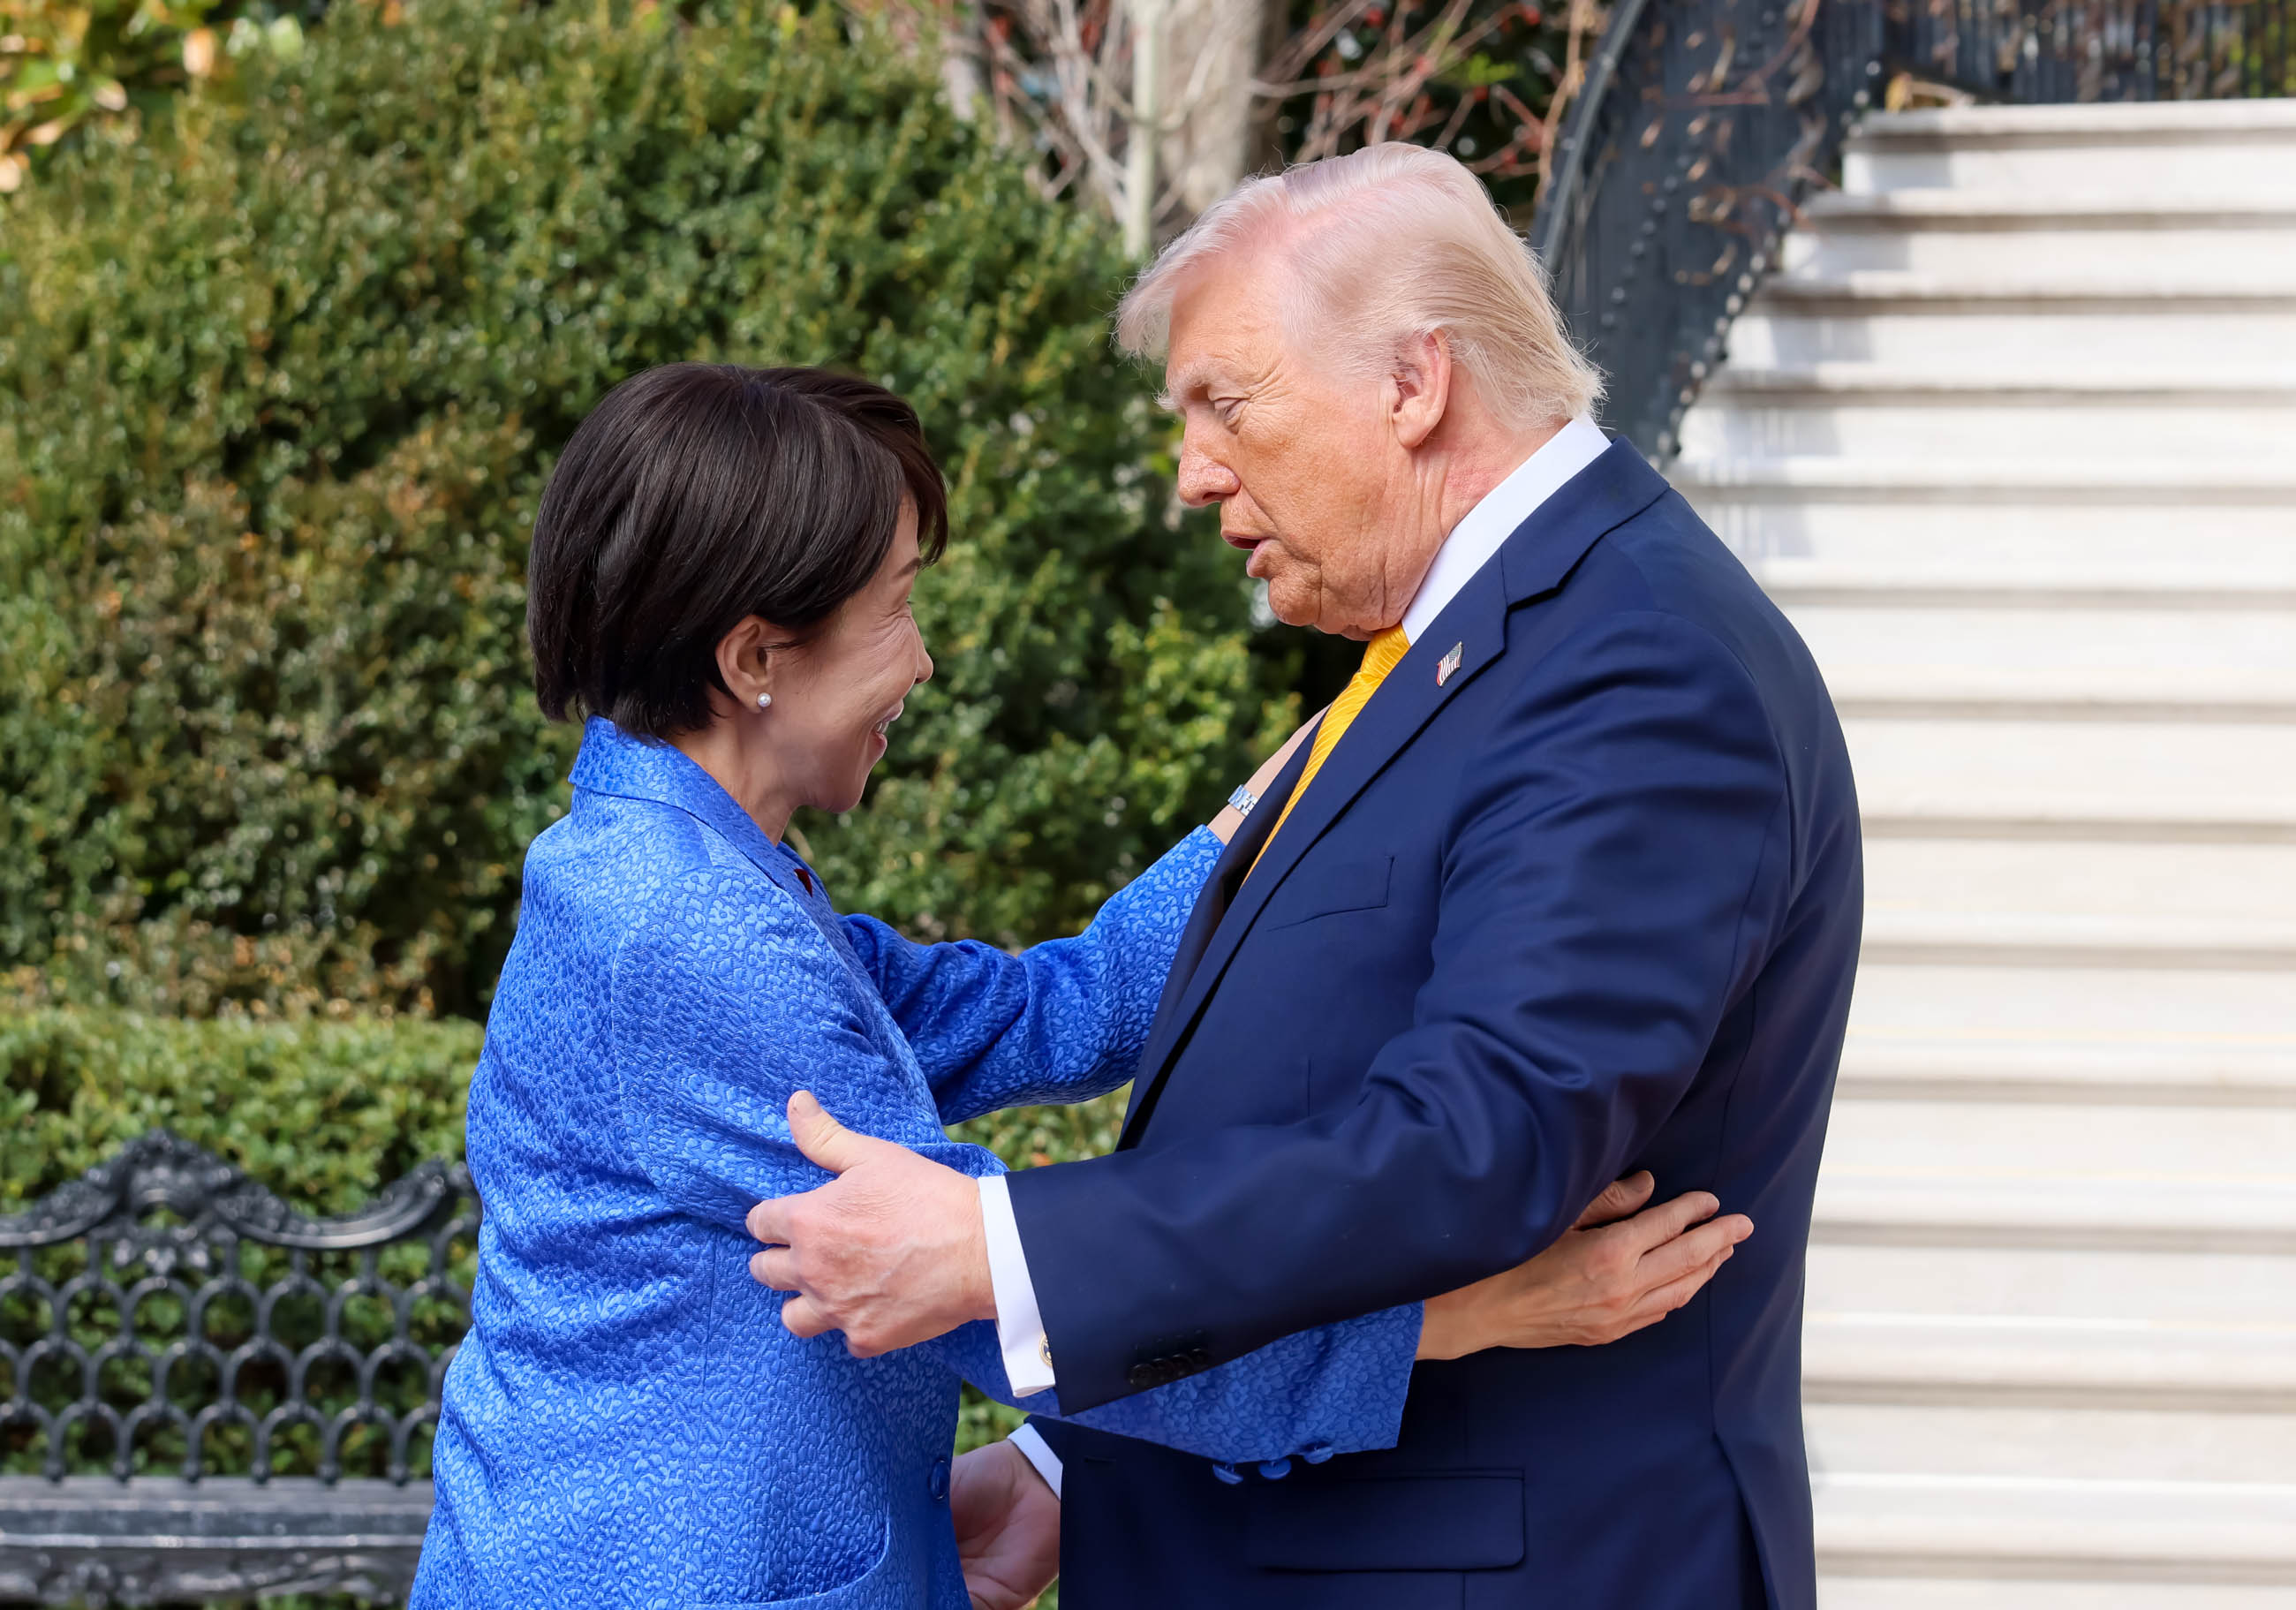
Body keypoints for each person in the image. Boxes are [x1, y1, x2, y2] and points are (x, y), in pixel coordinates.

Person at [410, 362, 1750, 1608]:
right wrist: (1457, 1318)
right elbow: (995, 1296)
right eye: (894, 608)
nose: (923, 661)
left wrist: (1308, 781)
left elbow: (1062, 1007)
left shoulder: (692, 874)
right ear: (755, 658)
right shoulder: (682, 936)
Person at [748, 142, 1863, 1610]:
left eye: (1227, 404)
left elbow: (1483, 1139)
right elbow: (1307, 1088)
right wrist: (1076, 1469)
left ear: (1416, 384)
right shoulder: (1458, 653)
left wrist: (1000, 1249)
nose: (1195, 473)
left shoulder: (1641, 666)